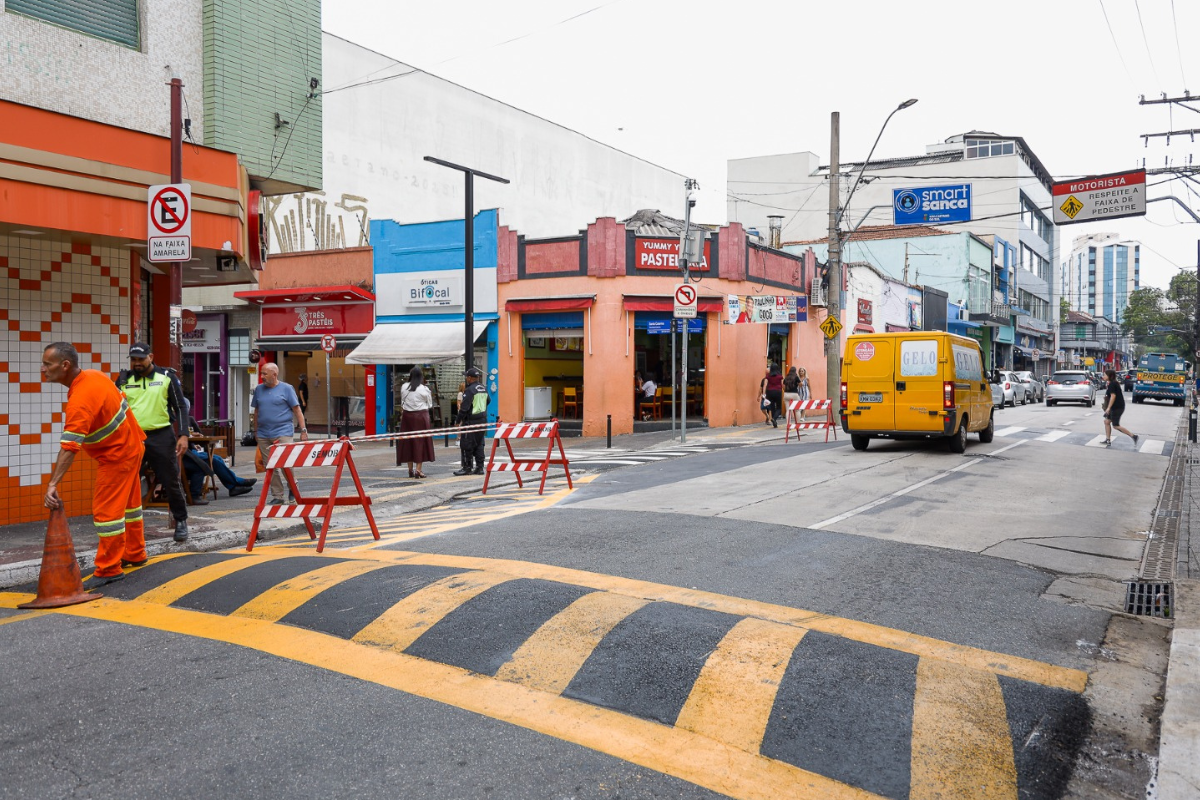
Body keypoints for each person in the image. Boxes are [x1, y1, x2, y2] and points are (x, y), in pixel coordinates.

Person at [41, 342, 148, 589]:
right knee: (130, 506)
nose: (43, 369)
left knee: (106, 513)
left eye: (47, 364)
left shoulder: (80, 398)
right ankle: (135, 552)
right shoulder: (94, 376)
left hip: (117, 455)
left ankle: (109, 567)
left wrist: (53, 483)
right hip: (133, 445)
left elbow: (70, 446)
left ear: (65, 365)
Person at [116, 342, 190, 542]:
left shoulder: (166, 377)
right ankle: (123, 525)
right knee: (126, 482)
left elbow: (180, 407)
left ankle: (181, 520)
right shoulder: (123, 380)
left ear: (151, 357)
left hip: (161, 436)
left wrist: (183, 435)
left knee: (170, 480)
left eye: (141, 359)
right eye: (133, 359)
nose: (137, 363)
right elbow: (113, 410)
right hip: (132, 438)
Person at [251, 363, 309, 504]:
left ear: (274, 375)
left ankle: (293, 488)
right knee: (270, 466)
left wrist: (303, 430)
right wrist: (255, 431)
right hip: (264, 434)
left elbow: (297, 410)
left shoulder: (287, 389)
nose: (262, 376)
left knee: (286, 463)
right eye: (261, 373)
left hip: (283, 432)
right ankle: (277, 495)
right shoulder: (259, 389)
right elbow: (256, 412)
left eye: (265, 374)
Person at [182, 417, 256, 500]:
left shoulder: (188, 419)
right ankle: (236, 483)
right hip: (185, 455)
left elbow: (197, 436)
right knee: (213, 460)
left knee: (218, 458)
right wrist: (191, 437)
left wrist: (193, 443)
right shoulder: (175, 421)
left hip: (190, 451)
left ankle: (233, 486)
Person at [397, 366, 435, 479]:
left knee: (408, 441)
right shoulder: (424, 389)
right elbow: (430, 404)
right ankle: (418, 470)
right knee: (420, 442)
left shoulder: (404, 387)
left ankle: (410, 470)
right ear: (421, 376)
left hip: (407, 417)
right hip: (421, 417)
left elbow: (402, 402)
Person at [453, 367, 489, 476]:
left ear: (469, 378)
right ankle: (479, 467)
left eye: (466, 377)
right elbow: (488, 400)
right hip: (482, 420)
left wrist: (457, 421)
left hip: (471, 421)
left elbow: (464, 408)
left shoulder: (470, 390)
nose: (466, 379)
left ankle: (467, 467)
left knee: (466, 444)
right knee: (479, 444)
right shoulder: (483, 388)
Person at [1102, 368, 1138, 449]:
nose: (1103, 376)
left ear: (1109, 376)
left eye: (1105, 375)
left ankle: (1133, 436)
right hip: (1116, 406)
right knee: (1106, 421)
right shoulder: (1113, 383)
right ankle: (1108, 440)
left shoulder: (1112, 384)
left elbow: (1113, 396)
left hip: (1117, 407)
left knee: (1116, 425)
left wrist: (1108, 408)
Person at [761, 363, 784, 428]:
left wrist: (764, 394)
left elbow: (765, 385)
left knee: (772, 406)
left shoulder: (768, 376)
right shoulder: (780, 376)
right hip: (778, 392)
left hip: (769, 392)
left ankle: (774, 421)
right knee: (779, 407)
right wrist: (785, 391)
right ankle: (774, 418)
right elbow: (782, 385)